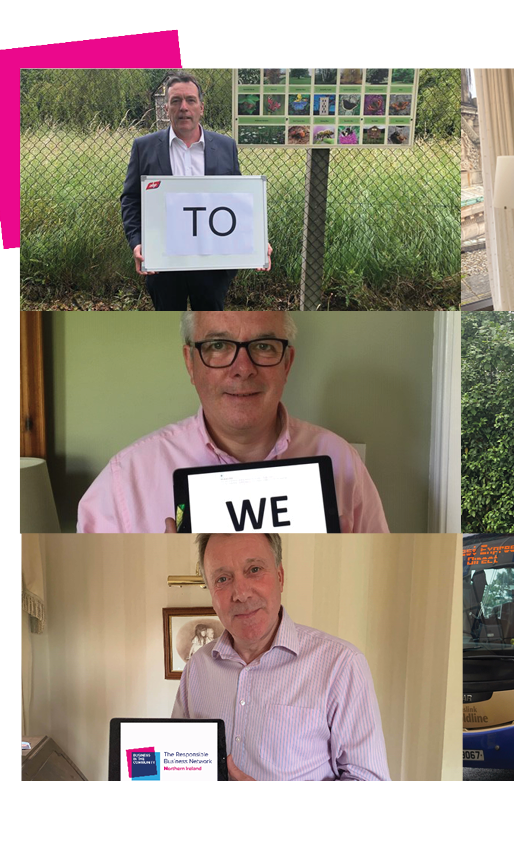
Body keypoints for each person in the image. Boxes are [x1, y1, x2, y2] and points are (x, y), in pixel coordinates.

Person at [77, 311, 388, 533]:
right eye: (218, 346)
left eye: (263, 346)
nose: (242, 368)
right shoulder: (123, 482)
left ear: (287, 363)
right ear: (190, 362)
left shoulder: (342, 462)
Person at [173, 533, 390, 780]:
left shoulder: (342, 665)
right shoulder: (197, 667)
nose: (241, 594)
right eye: (222, 579)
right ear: (212, 594)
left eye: (254, 569)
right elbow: (177, 762)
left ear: (280, 577)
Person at [120, 72, 270, 311]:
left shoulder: (225, 146)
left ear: (201, 107)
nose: (183, 107)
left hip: (212, 264)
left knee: (210, 324)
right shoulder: (144, 147)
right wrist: (137, 242)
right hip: (164, 263)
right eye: (176, 101)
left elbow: (238, 201)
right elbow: (130, 199)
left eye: (190, 100)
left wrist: (257, 240)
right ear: (166, 107)